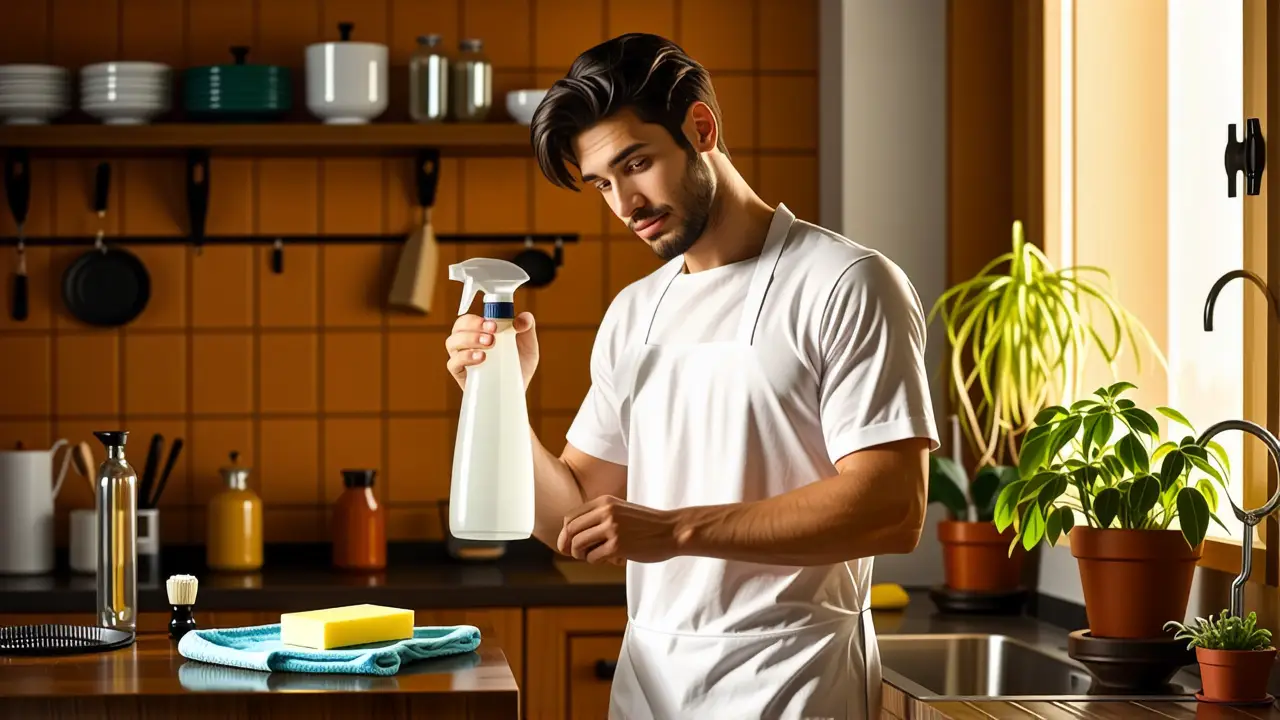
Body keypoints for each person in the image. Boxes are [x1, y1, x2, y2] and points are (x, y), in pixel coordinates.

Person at [444, 33, 939, 720]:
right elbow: (573, 523)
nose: (625, 204)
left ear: (700, 128)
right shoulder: (636, 312)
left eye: (637, 163)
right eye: (603, 185)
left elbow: (892, 507)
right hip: (651, 688)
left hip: (793, 684)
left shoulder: (846, 283)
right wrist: (499, 399)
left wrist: (676, 531)